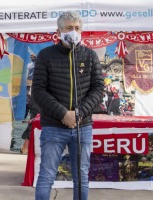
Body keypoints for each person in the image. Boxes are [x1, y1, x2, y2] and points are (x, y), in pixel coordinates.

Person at [32, 11, 104, 200]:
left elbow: (98, 89)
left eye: (77, 28)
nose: (73, 32)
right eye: (69, 28)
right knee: (46, 176)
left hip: (83, 126)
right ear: (58, 32)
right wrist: (64, 113)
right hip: (54, 126)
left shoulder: (89, 56)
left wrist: (78, 114)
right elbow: (38, 91)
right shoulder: (45, 55)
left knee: (81, 177)